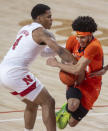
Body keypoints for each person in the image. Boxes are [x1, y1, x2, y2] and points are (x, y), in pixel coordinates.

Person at [0, 4, 76, 131]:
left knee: (32, 104)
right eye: (49, 17)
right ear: (39, 18)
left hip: (3, 72)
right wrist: (75, 63)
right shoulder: (42, 32)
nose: (52, 20)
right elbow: (59, 51)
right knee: (48, 102)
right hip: (15, 73)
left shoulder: (26, 29)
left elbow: (43, 52)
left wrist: (59, 48)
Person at [47, 16, 104, 128]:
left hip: (91, 85)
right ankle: (70, 106)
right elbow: (66, 59)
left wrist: (57, 64)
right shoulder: (72, 40)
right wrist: (68, 70)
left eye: (82, 37)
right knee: (73, 106)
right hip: (76, 79)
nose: (79, 40)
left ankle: (66, 109)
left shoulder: (94, 46)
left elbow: (78, 69)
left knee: (72, 123)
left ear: (90, 34)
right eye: (77, 36)